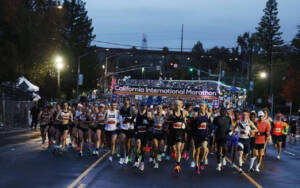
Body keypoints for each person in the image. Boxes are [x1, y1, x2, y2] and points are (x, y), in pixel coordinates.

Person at [168, 100, 189, 173]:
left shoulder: (185, 113)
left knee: (178, 149)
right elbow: (165, 121)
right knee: (174, 149)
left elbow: (189, 120)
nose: (178, 106)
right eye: (176, 105)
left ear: (181, 105)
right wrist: (172, 122)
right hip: (172, 133)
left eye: (179, 105)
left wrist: (185, 122)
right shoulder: (171, 113)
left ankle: (177, 165)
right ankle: (173, 153)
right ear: (174, 105)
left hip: (180, 133)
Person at [191, 101, 210, 174]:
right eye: (200, 105)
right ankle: (196, 166)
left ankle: (201, 161)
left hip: (204, 135)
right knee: (197, 152)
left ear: (205, 106)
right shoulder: (196, 114)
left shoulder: (208, 114)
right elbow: (192, 124)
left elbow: (209, 123)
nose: (201, 107)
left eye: (203, 105)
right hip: (197, 135)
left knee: (204, 148)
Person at [134, 101, 152, 171]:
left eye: (144, 106)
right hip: (138, 132)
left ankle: (142, 162)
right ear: (140, 106)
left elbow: (152, 123)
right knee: (138, 146)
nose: (143, 107)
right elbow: (133, 121)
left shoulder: (148, 114)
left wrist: (149, 120)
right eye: (141, 105)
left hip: (145, 133)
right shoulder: (136, 113)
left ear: (146, 107)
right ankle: (136, 160)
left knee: (143, 149)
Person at [213, 107, 231, 171]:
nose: (223, 112)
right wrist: (213, 132)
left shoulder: (228, 118)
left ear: (226, 112)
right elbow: (213, 126)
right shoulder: (216, 118)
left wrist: (230, 130)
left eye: (224, 111)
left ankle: (223, 157)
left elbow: (230, 125)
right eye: (221, 111)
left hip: (225, 136)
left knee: (225, 148)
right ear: (220, 112)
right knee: (218, 151)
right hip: (218, 136)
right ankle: (218, 164)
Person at [119, 98, 135, 165]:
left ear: (129, 101)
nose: (126, 101)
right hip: (123, 128)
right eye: (124, 100)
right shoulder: (121, 108)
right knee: (122, 141)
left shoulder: (132, 109)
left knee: (128, 144)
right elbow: (120, 117)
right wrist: (120, 123)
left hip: (130, 128)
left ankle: (127, 156)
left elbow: (134, 117)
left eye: (127, 100)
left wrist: (130, 122)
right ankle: (122, 157)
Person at [152, 104, 166, 169]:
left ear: (162, 109)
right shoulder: (153, 116)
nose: (159, 109)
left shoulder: (164, 117)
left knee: (160, 148)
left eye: (160, 108)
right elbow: (150, 124)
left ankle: (159, 155)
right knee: (155, 147)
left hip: (161, 134)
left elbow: (167, 124)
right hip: (155, 134)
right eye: (157, 108)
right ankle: (156, 162)